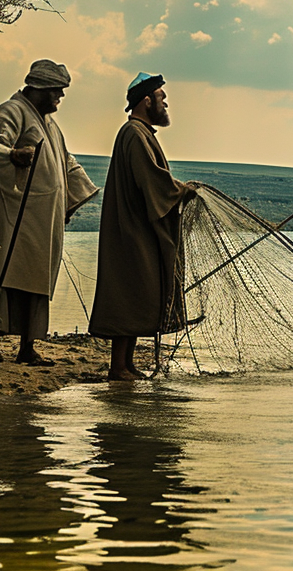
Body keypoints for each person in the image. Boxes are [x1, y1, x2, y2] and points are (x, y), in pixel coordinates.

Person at [0, 60, 99, 364]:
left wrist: (75, 196)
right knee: (0, 273)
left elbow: (64, 162)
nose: (60, 98)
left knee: (35, 281)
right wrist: (13, 154)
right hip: (11, 216)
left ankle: (28, 348)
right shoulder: (10, 111)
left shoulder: (49, 123)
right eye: (56, 91)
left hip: (40, 221)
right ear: (39, 88)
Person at [88, 73, 197, 381]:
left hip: (136, 230)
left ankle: (128, 365)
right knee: (128, 295)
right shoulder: (135, 134)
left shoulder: (140, 132)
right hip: (132, 232)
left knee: (138, 295)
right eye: (161, 98)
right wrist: (182, 191)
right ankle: (118, 367)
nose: (165, 104)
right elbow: (152, 181)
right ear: (146, 101)